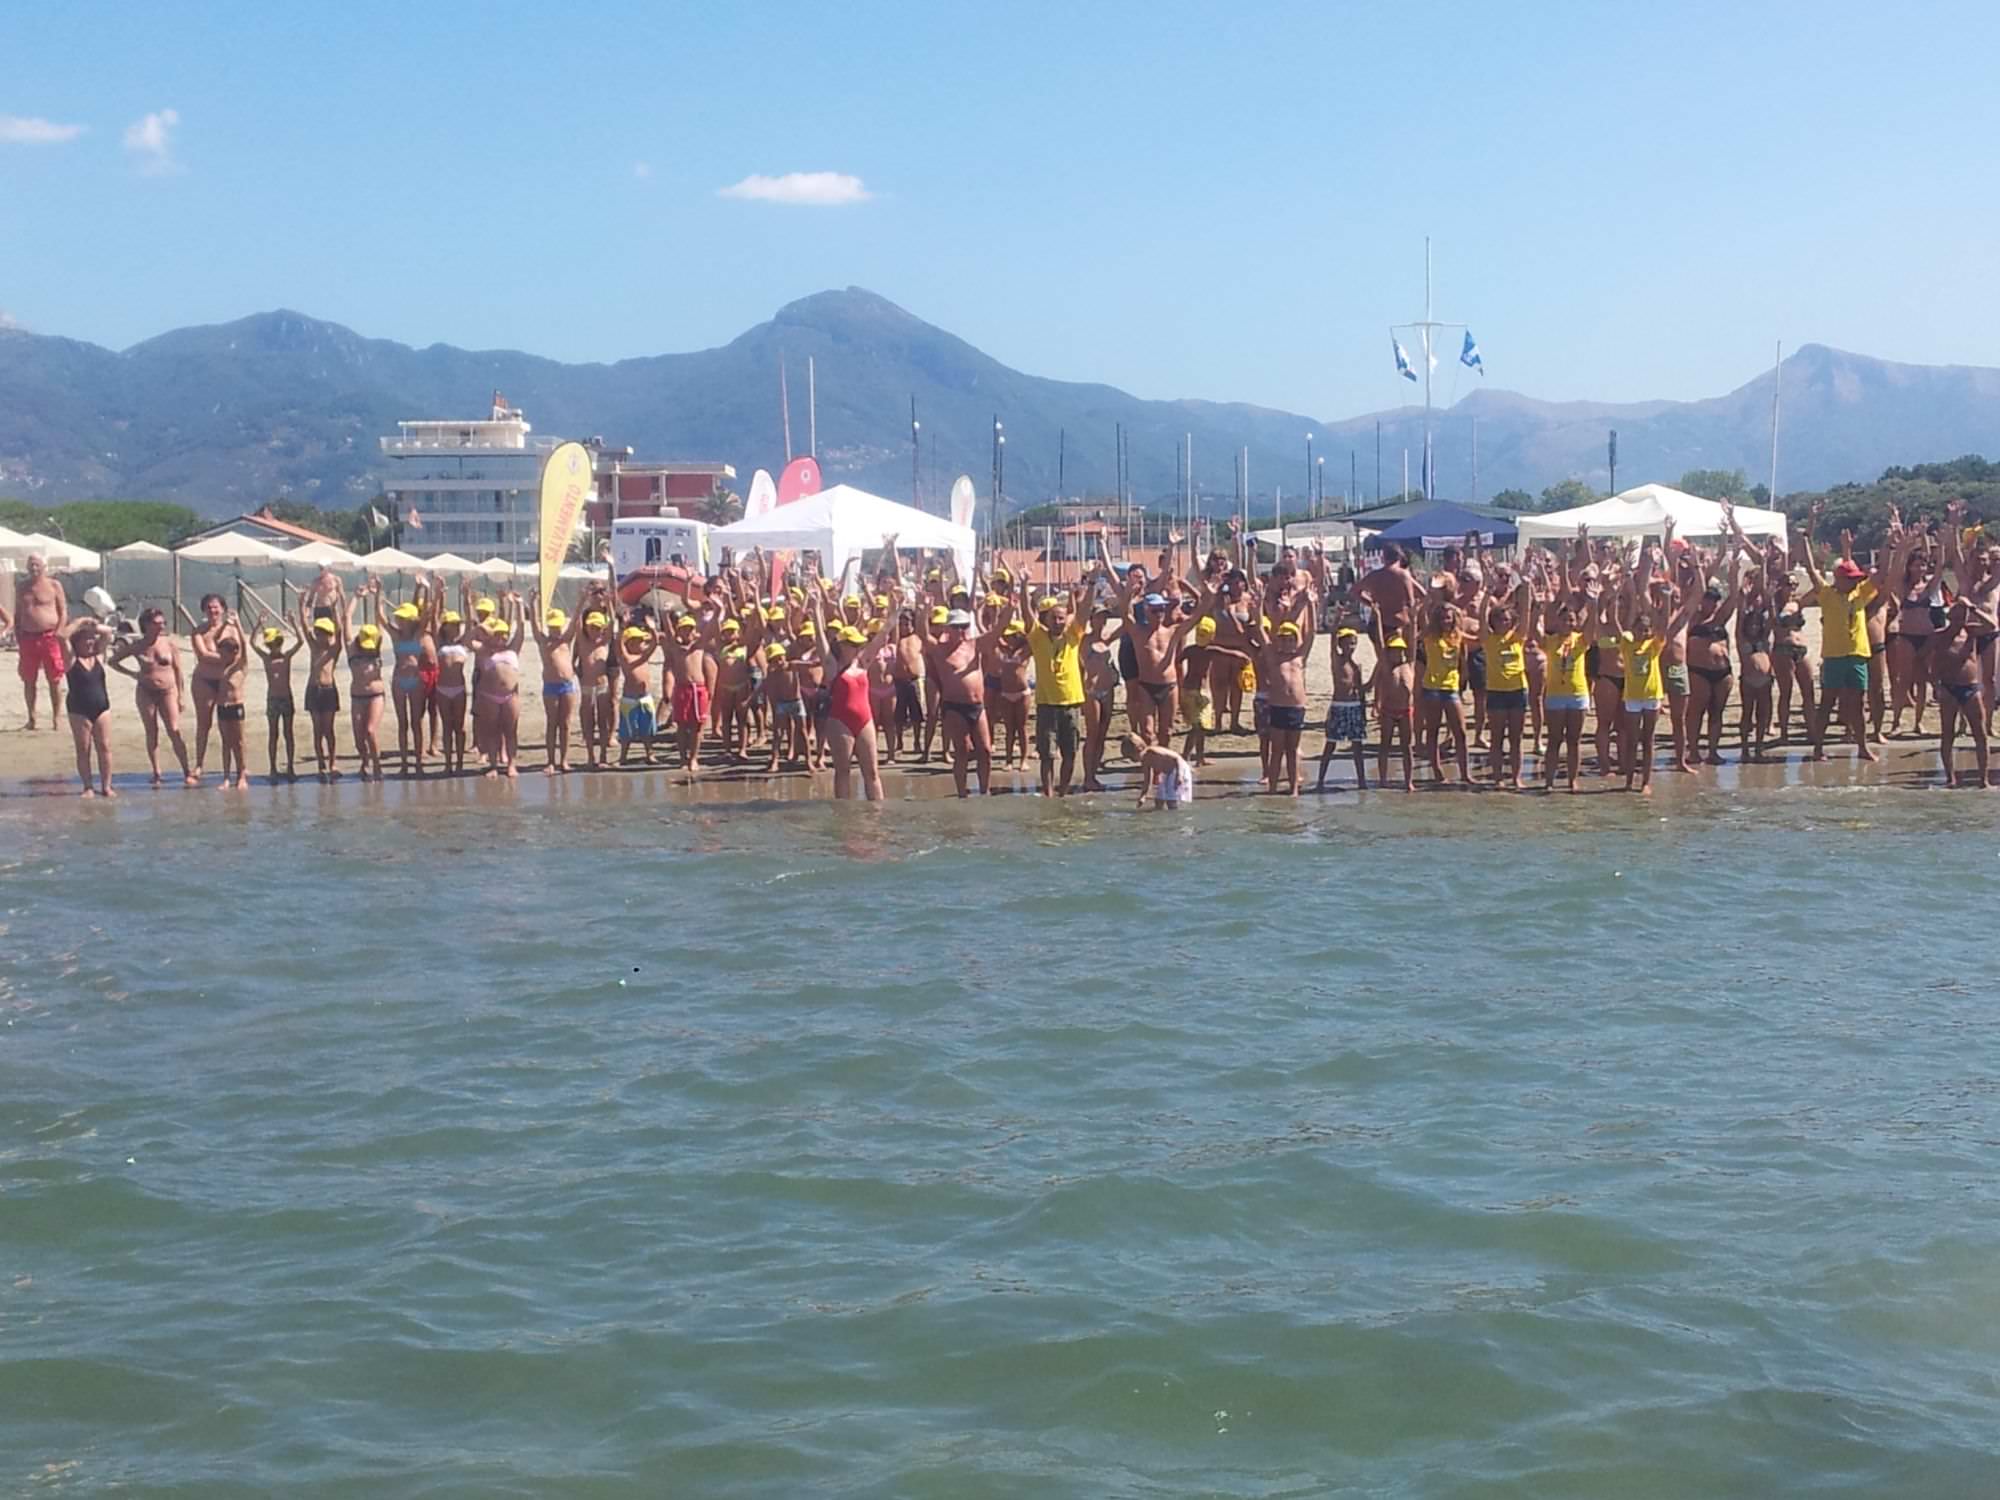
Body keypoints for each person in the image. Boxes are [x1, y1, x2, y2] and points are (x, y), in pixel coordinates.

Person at [1806, 514, 1901, 763]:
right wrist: (1806, 537)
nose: (1855, 581)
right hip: (1834, 656)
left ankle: (1862, 746)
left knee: (1858, 704)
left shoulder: (1859, 594)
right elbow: (1810, 568)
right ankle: (1818, 748)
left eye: (1856, 579)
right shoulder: (1826, 594)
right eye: (1851, 578)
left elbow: (1880, 574)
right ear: (1839, 578)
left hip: (1858, 655)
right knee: (1827, 703)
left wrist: (1889, 543)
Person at [809, 555, 894, 801]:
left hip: (865, 720)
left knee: (872, 772)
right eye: (853, 644)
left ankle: (877, 815)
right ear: (843, 644)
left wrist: (894, 612)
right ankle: (843, 817)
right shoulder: (832, 665)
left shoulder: (863, 661)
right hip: (840, 721)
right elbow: (819, 637)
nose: (858, 647)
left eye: (859, 644)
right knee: (843, 772)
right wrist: (815, 609)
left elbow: (883, 635)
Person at [109, 607, 197, 787]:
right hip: (146, 691)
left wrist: (181, 696)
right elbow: (113, 661)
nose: (161, 626)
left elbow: (179, 670)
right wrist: (133, 674)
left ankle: (187, 770)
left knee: (173, 729)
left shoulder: (169, 644)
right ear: (147, 625)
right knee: (152, 731)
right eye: (157, 624)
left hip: (168, 690)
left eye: (163, 623)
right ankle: (156, 772)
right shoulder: (138, 646)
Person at [1024, 570, 1094, 796]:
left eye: (1061, 618)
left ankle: (1062, 792)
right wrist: (1024, 585)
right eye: (1053, 617)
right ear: (1045, 619)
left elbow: (1084, 612)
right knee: (1047, 755)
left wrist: (1091, 583)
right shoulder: (1037, 637)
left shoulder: (1073, 635)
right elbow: (1027, 614)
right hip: (1046, 705)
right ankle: (1049, 793)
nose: (1058, 621)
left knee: (1070, 753)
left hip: (1072, 704)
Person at [920, 600, 999, 796]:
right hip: (954, 705)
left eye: (965, 626)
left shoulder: (974, 645)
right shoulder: (940, 649)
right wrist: (922, 610)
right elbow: (922, 633)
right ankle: (962, 793)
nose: (962, 630)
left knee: (986, 750)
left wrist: (1012, 608)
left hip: (977, 705)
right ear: (948, 628)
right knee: (962, 750)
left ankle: (984, 790)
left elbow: (997, 632)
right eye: (957, 627)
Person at [1244, 590, 1315, 796]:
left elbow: (1312, 633)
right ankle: (1273, 789)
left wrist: (1310, 604)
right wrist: (1258, 608)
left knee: (1292, 751)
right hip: (1277, 707)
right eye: (1283, 639)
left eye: (1290, 639)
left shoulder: (1300, 657)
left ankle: (1293, 789)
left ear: (1296, 640)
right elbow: (1260, 630)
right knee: (1277, 751)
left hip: (1296, 708)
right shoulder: (1273, 657)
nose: (1286, 643)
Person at [1930, 597, 1990, 788]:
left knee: (1980, 733)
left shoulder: (1971, 633)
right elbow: (1921, 658)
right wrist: (1933, 681)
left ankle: (1983, 779)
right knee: (1948, 733)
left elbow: (1992, 624)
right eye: (1956, 617)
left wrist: (1973, 607)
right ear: (1949, 616)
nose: (1960, 621)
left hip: (1971, 687)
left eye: (1963, 617)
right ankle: (1950, 778)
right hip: (1948, 687)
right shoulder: (1939, 635)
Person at [1480, 574, 1533, 790]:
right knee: (1497, 737)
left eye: (1507, 619)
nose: (1503, 622)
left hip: (1517, 690)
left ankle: (1516, 777)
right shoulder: (1489, 639)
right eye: (1499, 619)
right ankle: (1497, 777)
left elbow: (1526, 613)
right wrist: (1487, 593)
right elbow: (1481, 615)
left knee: (1516, 737)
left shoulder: (1517, 637)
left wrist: (1527, 587)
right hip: (1496, 692)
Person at [187, 592, 244, 781]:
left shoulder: (231, 629)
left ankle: (235, 769)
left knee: (228, 727)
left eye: (216, 606)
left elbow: (239, 654)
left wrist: (225, 660)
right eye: (209, 607)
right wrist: (226, 659)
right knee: (204, 724)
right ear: (204, 609)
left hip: (225, 683)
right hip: (203, 680)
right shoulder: (198, 631)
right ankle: (199, 765)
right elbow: (203, 656)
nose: (213, 610)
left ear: (223, 609)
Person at [1539, 594, 1592, 793]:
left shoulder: (1581, 640)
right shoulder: (1550, 641)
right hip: (1555, 695)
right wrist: (1538, 606)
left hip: (1577, 694)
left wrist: (1593, 604)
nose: (1567, 623)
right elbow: (1532, 633)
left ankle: (1572, 780)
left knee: (1573, 740)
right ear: (1557, 621)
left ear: (1576, 622)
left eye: (1571, 620)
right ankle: (1549, 781)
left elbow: (1592, 628)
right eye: (1564, 619)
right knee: (1554, 739)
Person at [1418, 594, 1471, 786]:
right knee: (1433, 730)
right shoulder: (1430, 636)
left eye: (1449, 617)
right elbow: (1421, 618)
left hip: (1451, 688)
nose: (1446, 621)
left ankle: (1465, 773)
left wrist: (1458, 613)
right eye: (1442, 618)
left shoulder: (1458, 636)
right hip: (1432, 687)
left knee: (1461, 732)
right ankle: (1437, 771)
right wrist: (1426, 603)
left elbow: (1478, 640)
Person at [386, 588, 438, 778]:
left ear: (410, 620)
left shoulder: (419, 634)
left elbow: (428, 614)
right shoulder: (396, 635)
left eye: (402, 618)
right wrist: (375, 596)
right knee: (403, 723)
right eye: (398, 618)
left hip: (415, 679)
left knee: (417, 721)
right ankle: (404, 763)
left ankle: (418, 762)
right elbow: (380, 618)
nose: (398, 621)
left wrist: (436, 590)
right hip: (400, 679)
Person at [472, 593, 525, 777]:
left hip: (510, 696)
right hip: (489, 696)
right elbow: (467, 640)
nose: (501, 638)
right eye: (498, 635)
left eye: (504, 635)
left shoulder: (513, 649)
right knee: (492, 730)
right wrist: (480, 627)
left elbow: (521, 628)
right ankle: (493, 765)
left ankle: (511, 764)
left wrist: (519, 605)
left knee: (510, 731)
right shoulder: (484, 651)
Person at [13, 553, 68, 729]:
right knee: (28, 679)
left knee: (54, 679)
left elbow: (63, 611)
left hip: (49, 637)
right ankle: (32, 718)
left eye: (37, 565)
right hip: (27, 638)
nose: (33, 568)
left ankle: (56, 718)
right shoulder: (22, 587)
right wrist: (18, 634)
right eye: (31, 565)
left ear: (44, 566)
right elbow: (18, 612)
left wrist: (60, 631)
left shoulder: (54, 585)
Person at [63, 618, 115, 796]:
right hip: (79, 709)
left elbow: (108, 632)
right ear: (77, 642)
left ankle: (106, 786)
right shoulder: (71, 659)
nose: (91, 641)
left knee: (105, 746)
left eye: (93, 638)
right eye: (87, 638)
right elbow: (61, 636)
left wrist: (91, 625)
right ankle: (88, 786)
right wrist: (80, 622)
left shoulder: (99, 656)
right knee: (84, 748)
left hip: (102, 707)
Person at [248, 615, 301, 783]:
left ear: (280, 643)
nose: (274, 648)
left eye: (276, 644)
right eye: (271, 645)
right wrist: (258, 625)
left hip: (286, 698)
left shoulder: (286, 657)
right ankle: (272, 768)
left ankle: (290, 766)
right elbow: (252, 643)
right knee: (273, 734)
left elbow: (300, 642)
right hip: (273, 699)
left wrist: (293, 623)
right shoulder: (266, 657)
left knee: (288, 733)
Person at [531, 599, 581, 774]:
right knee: (552, 723)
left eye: (557, 627)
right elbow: (535, 626)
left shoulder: (565, 640)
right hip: (551, 686)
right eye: (552, 627)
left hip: (567, 686)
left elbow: (575, 621)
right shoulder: (544, 642)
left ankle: (564, 760)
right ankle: (551, 761)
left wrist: (581, 600)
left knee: (565, 724)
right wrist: (532, 602)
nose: (555, 630)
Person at [1316, 626, 1369, 791]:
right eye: (1346, 643)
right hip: (1339, 706)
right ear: (1340, 644)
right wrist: (1336, 622)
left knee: (1357, 747)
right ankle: (1320, 781)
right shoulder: (1337, 660)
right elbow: (1332, 643)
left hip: (1354, 707)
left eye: (1353, 643)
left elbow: (1360, 690)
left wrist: (1363, 710)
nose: (1350, 647)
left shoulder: (1357, 666)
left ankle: (1362, 781)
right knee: (1330, 746)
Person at [297, 592, 343, 780]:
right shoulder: (314, 647)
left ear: (328, 634)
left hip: (328, 689)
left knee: (328, 729)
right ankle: (320, 762)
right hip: (313, 690)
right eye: (317, 632)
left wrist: (334, 611)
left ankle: (332, 761)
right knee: (317, 729)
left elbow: (340, 633)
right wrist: (302, 605)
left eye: (322, 633)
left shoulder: (333, 650)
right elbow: (305, 627)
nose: (318, 635)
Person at [345, 583, 389, 781]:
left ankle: (377, 767)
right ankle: (365, 761)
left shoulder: (377, 645)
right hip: (357, 696)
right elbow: (346, 619)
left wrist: (378, 594)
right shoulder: (352, 648)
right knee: (358, 739)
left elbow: (378, 619)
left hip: (375, 695)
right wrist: (356, 597)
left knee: (370, 731)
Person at [434, 607, 473, 775]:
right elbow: (433, 620)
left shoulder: (462, 643)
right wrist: (436, 594)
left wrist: (466, 600)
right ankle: (448, 763)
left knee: (460, 726)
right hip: (442, 689)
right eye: (452, 624)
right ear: (445, 626)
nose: (456, 627)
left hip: (458, 689)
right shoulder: (439, 643)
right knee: (447, 726)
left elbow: (471, 622)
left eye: (457, 624)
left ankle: (459, 763)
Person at [615, 621, 660, 765]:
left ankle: (650, 754)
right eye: (639, 641)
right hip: (630, 699)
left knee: (647, 729)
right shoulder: (626, 658)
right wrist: (623, 628)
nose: (643, 643)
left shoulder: (644, 657)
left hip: (645, 697)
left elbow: (654, 643)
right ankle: (623, 756)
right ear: (630, 643)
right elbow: (619, 645)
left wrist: (652, 628)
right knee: (626, 731)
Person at [213, 627, 251, 789]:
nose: (220, 655)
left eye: (224, 653)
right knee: (226, 743)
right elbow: (215, 640)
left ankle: (241, 775)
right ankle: (227, 777)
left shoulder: (240, 665)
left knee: (239, 743)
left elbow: (243, 644)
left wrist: (237, 624)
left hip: (236, 707)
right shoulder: (222, 665)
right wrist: (223, 626)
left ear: (233, 652)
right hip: (222, 707)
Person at [1122, 732, 1193, 809]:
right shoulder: (1145, 762)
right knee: (1159, 800)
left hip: (1179, 768)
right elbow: (1147, 780)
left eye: (1132, 757)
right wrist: (1143, 796)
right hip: (1167, 773)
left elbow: (1177, 758)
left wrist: (1179, 775)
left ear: (1139, 748)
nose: (1132, 760)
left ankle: (1174, 815)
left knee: (1171, 800)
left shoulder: (1153, 751)